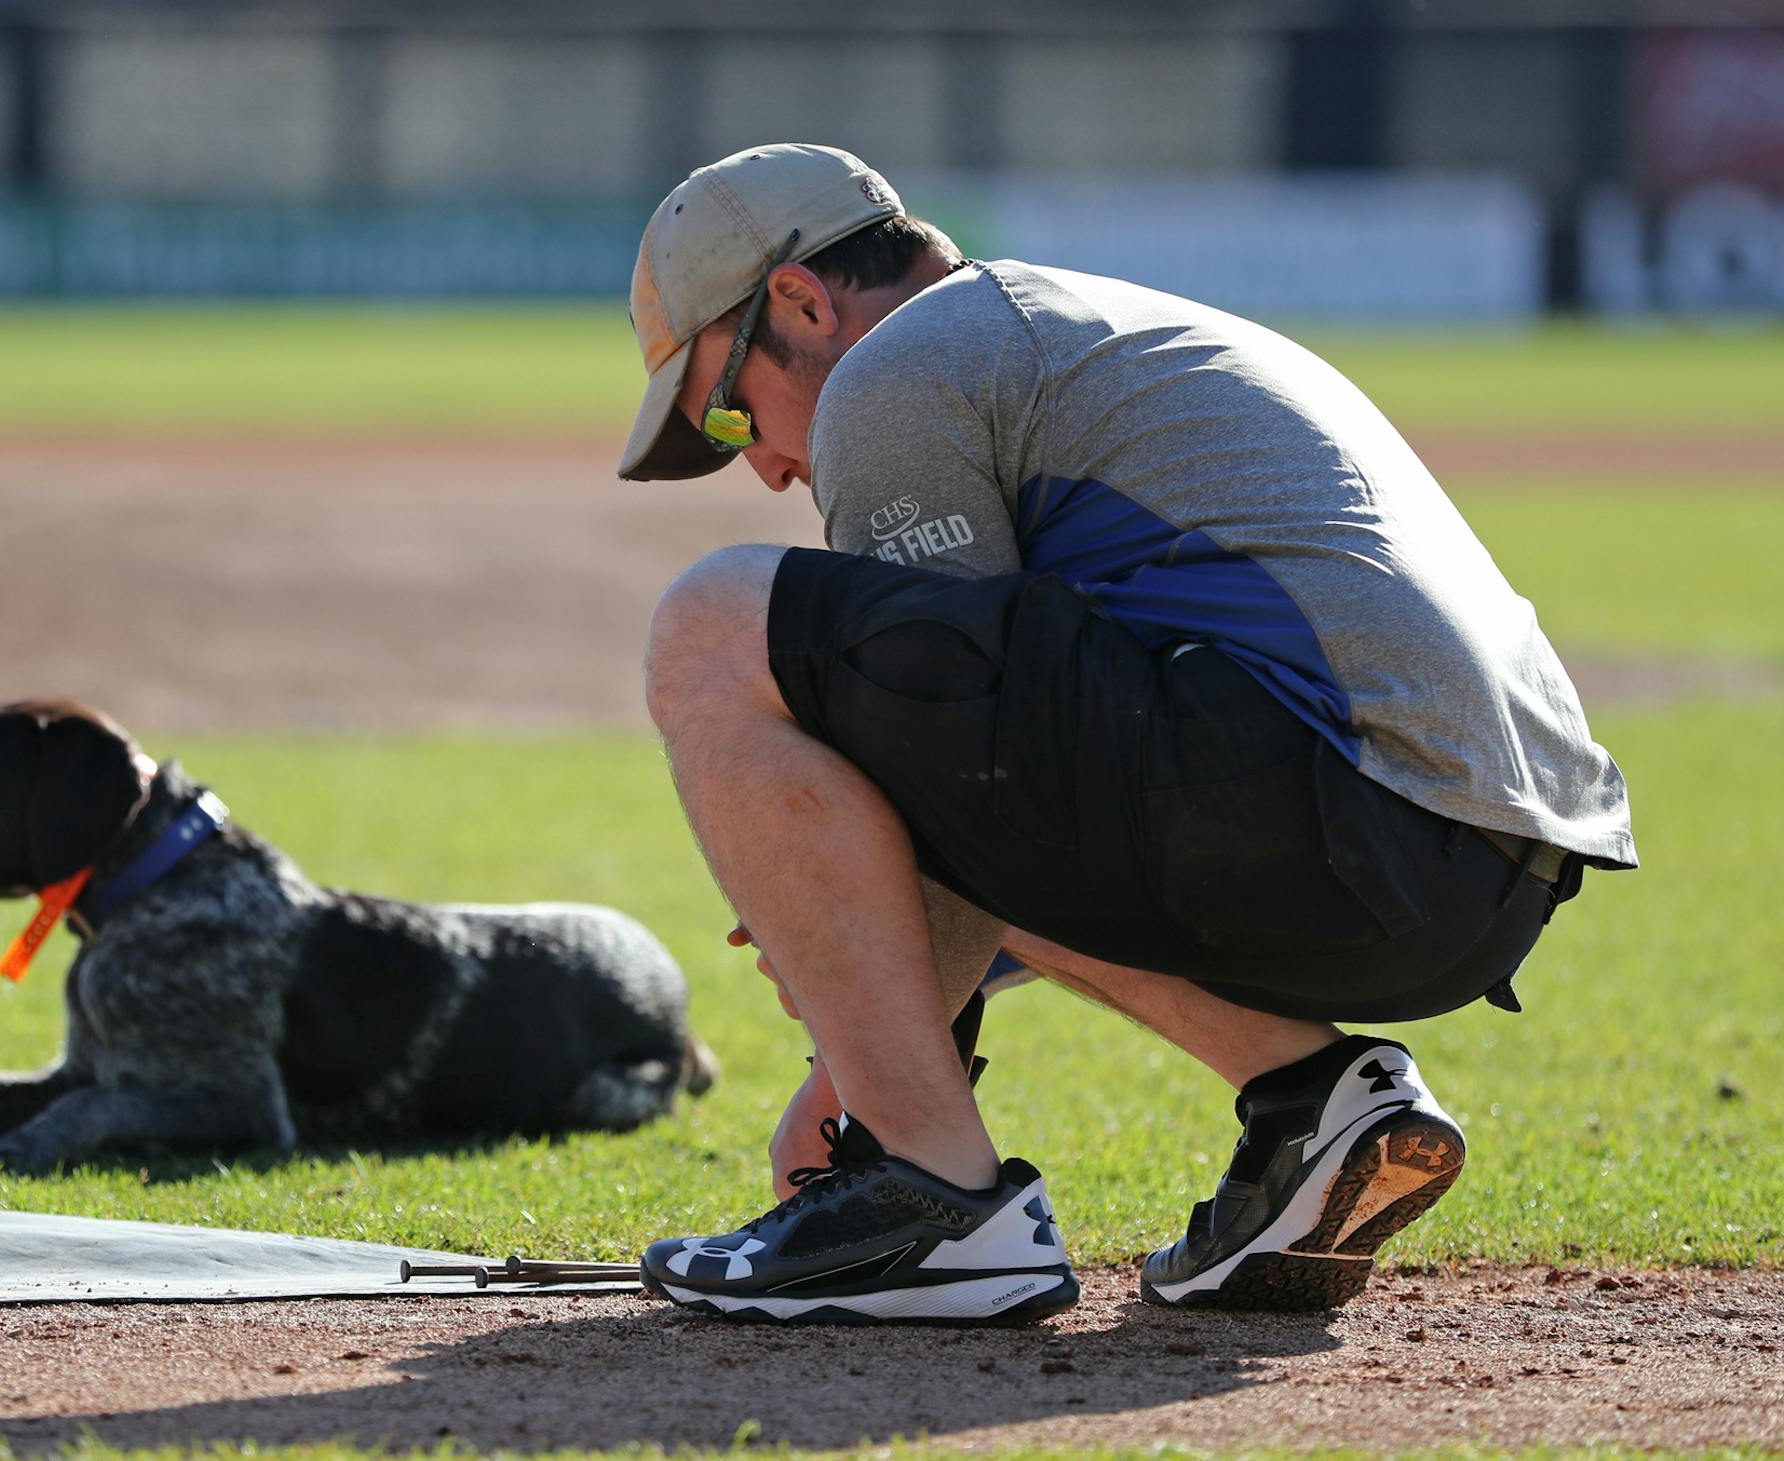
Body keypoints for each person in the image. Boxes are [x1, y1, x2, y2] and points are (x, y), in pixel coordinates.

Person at [617, 144, 1634, 1325]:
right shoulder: (1059, 325)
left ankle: (935, 1204)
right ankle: (1312, 1101)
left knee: (712, 622)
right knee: (948, 748)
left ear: (800, 300)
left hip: (1341, 795)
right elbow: (1000, 791)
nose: (767, 468)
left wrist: (853, 1092)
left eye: (733, 410)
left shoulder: (894, 369)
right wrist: (848, 913)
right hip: (1479, 870)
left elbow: (943, 772)